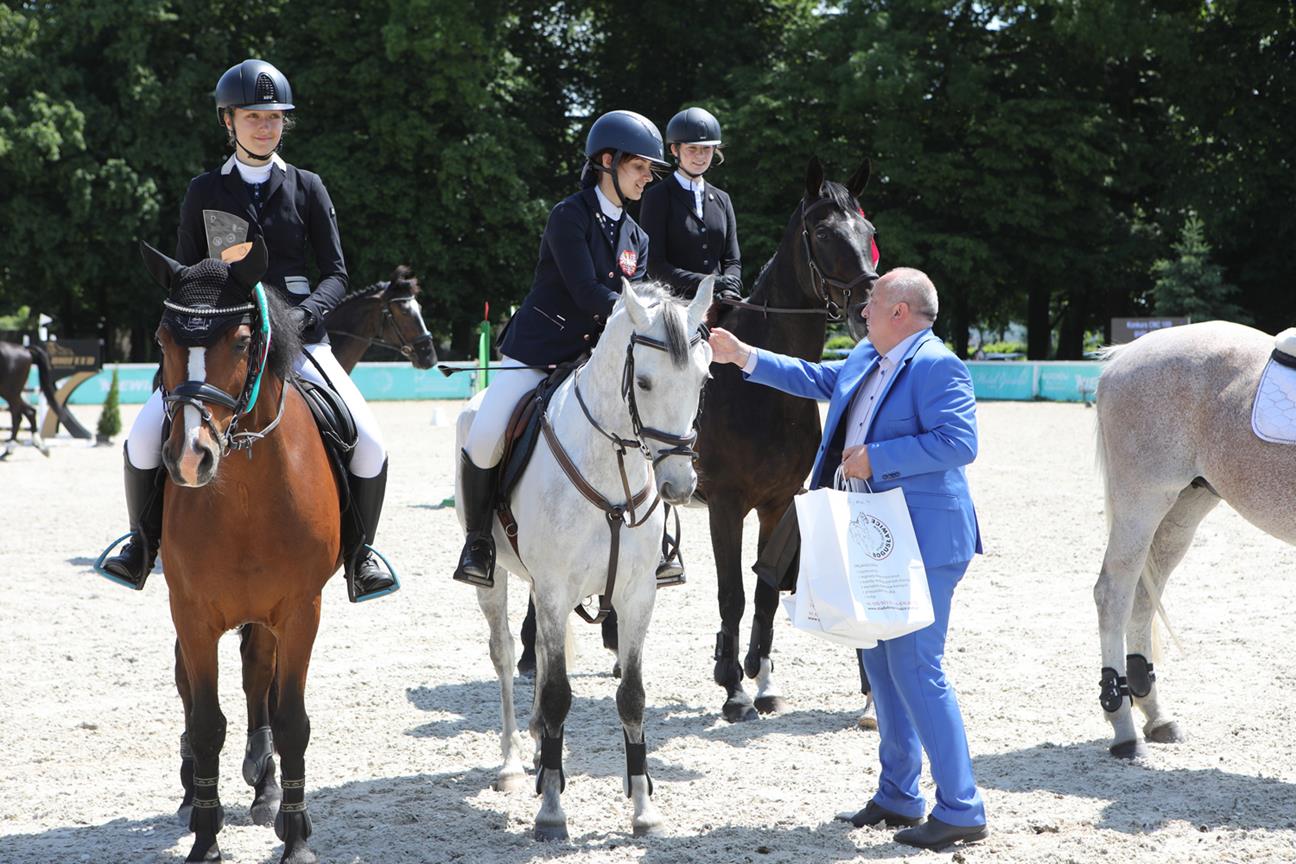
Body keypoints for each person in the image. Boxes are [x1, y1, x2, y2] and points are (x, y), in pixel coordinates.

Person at [708, 267, 988, 851]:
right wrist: (743, 356)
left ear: (900, 313)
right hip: (880, 539)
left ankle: (961, 807)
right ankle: (899, 794)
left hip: (926, 542)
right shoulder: (867, 357)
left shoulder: (937, 365)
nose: (862, 311)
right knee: (881, 666)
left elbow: (960, 442)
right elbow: (815, 378)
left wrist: (878, 457)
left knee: (917, 669)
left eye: (872, 303)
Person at [100, 59, 397, 602]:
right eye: (253, 117)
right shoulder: (203, 190)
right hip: (222, 343)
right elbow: (187, 276)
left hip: (300, 341)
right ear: (228, 120)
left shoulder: (307, 187)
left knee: (370, 442)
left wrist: (306, 316)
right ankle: (141, 544)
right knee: (143, 437)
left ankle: (361, 556)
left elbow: (336, 273)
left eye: (274, 117)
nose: (265, 126)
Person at [454, 109, 673, 589]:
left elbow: (632, 301)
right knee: (484, 433)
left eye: (650, 170)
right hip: (541, 351)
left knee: (652, 429)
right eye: (639, 167)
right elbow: (586, 291)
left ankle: (658, 542)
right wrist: (644, 316)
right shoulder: (568, 216)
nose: (647, 178)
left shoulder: (638, 237)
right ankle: (479, 542)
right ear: (608, 161)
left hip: (598, 363)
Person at [638, 107, 742, 302]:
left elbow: (732, 260)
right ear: (675, 150)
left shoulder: (723, 199)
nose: (700, 157)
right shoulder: (657, 197)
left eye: (706, 149)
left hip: (719, 301)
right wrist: (710, 282)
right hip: (674, 304)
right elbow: (655, 265)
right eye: (692, 149)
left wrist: (729, 288)